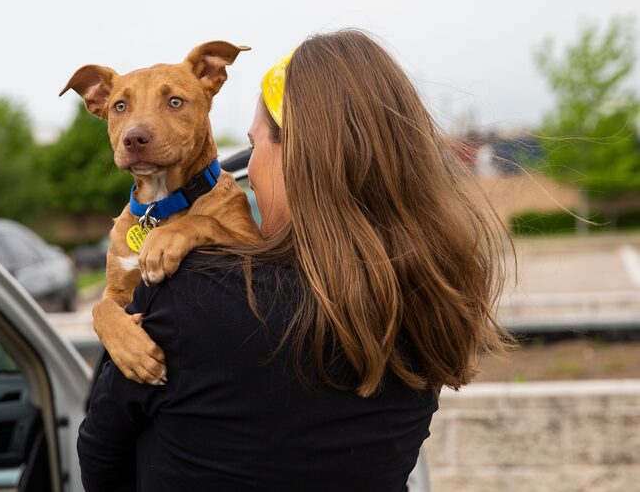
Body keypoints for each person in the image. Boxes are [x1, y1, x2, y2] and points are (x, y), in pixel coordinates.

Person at [77, 29, 510, 491]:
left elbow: (101, 457)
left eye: (255, 144)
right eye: (121, 107)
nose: (138, 126)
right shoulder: (427, 296)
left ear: (295, 158)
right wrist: (108, 312)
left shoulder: (190, 300)